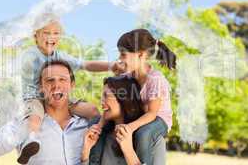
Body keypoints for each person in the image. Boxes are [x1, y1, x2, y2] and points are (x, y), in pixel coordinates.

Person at [18, 15, 118, 163]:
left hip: (59, 98)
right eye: (46, 33)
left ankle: (96, 150)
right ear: (35, 36)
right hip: (36, 99)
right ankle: (30, 142)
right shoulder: (30, 56)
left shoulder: (60, 56)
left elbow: (85, 65)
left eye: (56, 33)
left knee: (92, 111)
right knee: (35, 117)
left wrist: (110, 66)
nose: (51, 37)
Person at [0, 60, 94, 164]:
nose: (56, 85)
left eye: (63, 79)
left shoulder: (87, 126)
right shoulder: (25, 124)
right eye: (50, 80)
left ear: (72, 85)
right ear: (40, 87)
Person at [111, 28, 177, 164]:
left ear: (140, 55)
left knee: (143, 134)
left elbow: (152, 114)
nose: (120, 58)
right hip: (143, 115)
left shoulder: (155, 79)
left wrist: (130, 127)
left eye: (123, 55)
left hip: (160, 119)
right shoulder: (129, 76)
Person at [81, 75, 166, 165]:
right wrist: (85, 154)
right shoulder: (101, 137)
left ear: (124, 99)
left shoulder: (154, 140)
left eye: (106, 96)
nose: (101, 101)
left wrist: (129, 152)